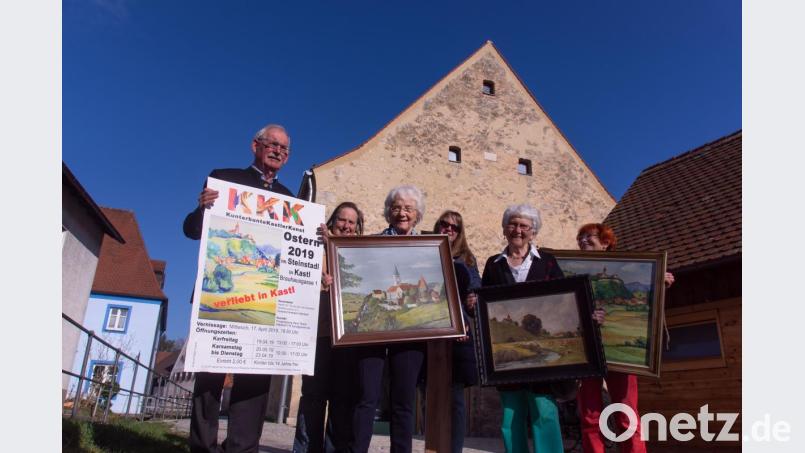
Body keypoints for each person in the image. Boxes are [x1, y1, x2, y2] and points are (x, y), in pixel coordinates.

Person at [183, 123, 293, 453]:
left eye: (284, 148)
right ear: (255, 146)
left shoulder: (289, 199)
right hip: (217, 300)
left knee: (255, 380)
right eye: (272, 144)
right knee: (209, 378)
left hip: (265, 304)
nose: (277, 151)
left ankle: (241, 448)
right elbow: (191, 230)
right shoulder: (223, 179)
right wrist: (202, 208)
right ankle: (202, 447)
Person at [575, 223, 674, 453]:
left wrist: (659, 283)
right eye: (580, 237)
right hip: (587, 352)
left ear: (605, 243)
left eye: (589, 236)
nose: (583, 241)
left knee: (626, 414)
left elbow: (643, 302)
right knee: (590, 416)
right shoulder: (574, 272)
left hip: (619, 355)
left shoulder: (625, 270)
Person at [481, 204, 566, 453]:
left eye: (524, 226)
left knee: (544, 411)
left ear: (533, 231)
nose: (517, 230)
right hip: (504, 353)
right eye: (513, 224)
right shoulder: (493, 264)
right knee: (511, 415)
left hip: (542, 350)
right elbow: (486, 306)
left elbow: (564, 299)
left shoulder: (547, 262)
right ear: (505, 229)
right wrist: (475, 304)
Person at [350, 184, 427, 453]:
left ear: (417, 214)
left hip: (411, 335)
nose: (402, 213)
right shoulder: (370, 244)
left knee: (403, 401)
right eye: (396, 208)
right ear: (388, 212)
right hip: (372, 332)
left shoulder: (429, 247)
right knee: (366, 397)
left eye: (408, 208)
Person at [292, 202, 365, 453]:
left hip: (346, 338)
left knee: (342, 399)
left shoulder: (358, 254)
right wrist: (318, 280)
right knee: (313, 396)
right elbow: (296, 280)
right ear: (332, 221)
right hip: (319, 335)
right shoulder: (314, 248)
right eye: (342, 220)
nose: (346, 226)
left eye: (351, 222)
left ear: (357, 227)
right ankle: (306, 449)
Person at [433, 211, 481, 453]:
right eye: (445, 224)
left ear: (460, 232)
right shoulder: (427, 253)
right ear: (438, 226)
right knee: (430, 395)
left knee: (455, 399)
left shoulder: (468, 260)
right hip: (429, 333)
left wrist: (472, 304)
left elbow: (475, 294)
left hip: (457, 335)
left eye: (455, 227)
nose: (449, 229)